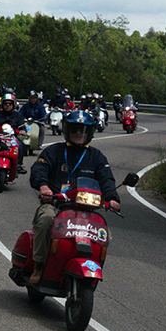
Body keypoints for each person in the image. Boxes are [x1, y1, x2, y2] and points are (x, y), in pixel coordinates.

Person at [28, 110, 120, 284]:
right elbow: (39, 169)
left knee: (104, 233)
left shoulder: (97, 157)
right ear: (67, 130)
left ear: (90, 133)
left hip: (85, 209)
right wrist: (44, 186)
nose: (79, 134)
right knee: (46, 220)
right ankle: (39, 265)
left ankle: (92, 268)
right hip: (55, 204)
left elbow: (106, 179)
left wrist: (113, 199)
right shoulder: (54, 151)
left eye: (84, 130)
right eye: (75, 129)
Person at [0, 93, 27, 174]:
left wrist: (23, 131)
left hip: (12, 137)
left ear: (13, 104)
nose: (8, 105)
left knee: (21, 145)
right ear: (2, 104)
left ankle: (18, 164)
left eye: (10, 103)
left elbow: (23, 127)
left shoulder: (18, 115)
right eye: (5, 103)